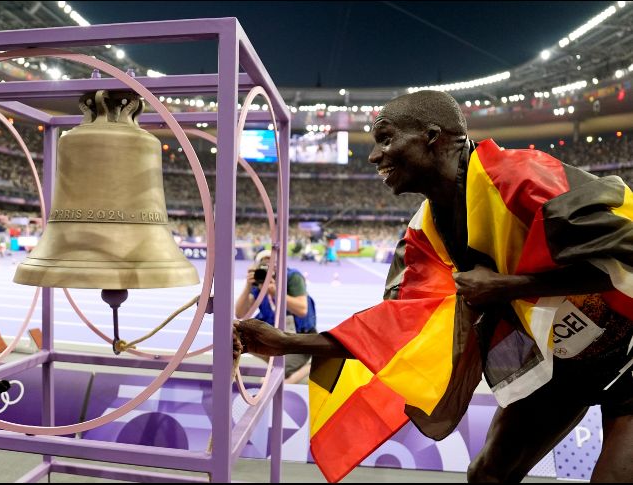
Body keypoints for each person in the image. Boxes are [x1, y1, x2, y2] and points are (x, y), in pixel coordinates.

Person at [235, 90, 633, 483]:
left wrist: (507, 287)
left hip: (628, 351)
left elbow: (624, 256)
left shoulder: (520, 176)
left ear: (433, 136)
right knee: (487, 476)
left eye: (386, 138)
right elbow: (392, 333)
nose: (374, 156)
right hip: (564, 366)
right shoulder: (425, 235)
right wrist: (285, 343)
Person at [235, 249, 317, 384]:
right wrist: (248, 286)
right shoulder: (259, 280)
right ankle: (277, 363)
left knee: (275, 380)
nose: (269, 266)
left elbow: (302, 310)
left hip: (299, 337)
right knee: (236, 337)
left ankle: (308, 365)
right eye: (264, 263)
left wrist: (275, 292)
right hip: (274, 336)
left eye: (272, 262)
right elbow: (240, 313)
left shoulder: (292, 277)